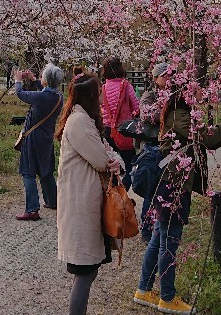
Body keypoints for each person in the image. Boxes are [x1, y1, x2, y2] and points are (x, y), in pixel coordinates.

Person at [135, 77, 221, 315]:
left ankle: (143, 290)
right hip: (173, 186)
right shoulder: (180, 116)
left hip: (168, 182)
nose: (200, 91)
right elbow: (208, 138)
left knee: (158, 238)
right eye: (196, 87)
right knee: (169, 242)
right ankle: (167, 297)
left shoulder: (179, 113)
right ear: (184, 91)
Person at [56, 69, 123, 315]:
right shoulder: (80, 122)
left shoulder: (82, 119)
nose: (103, 94)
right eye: (99, 91)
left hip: (84, 201)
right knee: (86, 271)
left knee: (87, 270)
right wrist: (113, 161)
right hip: (80, 204)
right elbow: (101, 159)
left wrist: (114, 160)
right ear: (90, 96)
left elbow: (106, 153)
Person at [13, 64, 64, 221]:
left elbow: (20, 93)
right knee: (46, 170)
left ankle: (32, 209)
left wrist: (17, 80)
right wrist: (35, 80)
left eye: (42, 77)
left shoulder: (41, 98)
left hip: (32, 138)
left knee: (28, 172)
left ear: (46, 81)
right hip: (46, 138)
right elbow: (43, 92)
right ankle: (53, 201)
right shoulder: (59, 97)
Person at [134, 61, 170, 242]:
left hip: (169, 148)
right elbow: (146, 115)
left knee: (165, 188)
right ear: (156, 78)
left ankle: (162, 225)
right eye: (164, 75)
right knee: (151, 188)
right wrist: (167, 111)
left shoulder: (175, 94)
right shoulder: (149, 95)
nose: (168, 78)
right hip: (152, 147)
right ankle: (147, 229)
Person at [100, 56, 139, 170]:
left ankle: (114, 187)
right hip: (125, 129)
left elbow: (101, 108)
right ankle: (126, 187)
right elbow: (136, 106)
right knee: (130, 165)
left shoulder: (103, 88)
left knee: (112, 165)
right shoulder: (126, 86)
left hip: (107, 129)